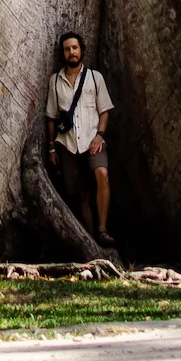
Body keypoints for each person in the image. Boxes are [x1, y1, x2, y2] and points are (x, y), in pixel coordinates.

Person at [44, 28, 113, 246]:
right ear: (62, 54)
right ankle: (92, 241)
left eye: (74, 48)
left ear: (81, 50)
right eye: (67, 49)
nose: (71, 52)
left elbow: (104, 110)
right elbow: (51, 117)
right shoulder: (55, 81)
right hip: (67, 145)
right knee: (81, 194)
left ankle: (102, 229)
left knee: (102, 173)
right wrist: (52, 148)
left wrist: (100, 136)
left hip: (93, 140)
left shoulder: (95, 77)